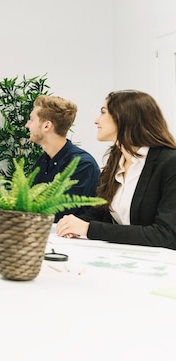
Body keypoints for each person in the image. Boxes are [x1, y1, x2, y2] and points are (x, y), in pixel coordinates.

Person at [56, 90, 176, 250]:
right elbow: (99, 212)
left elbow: (165, 235)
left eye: (103, 112)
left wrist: (89, 229)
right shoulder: (115, 161)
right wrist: (73, 225)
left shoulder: (169, 163)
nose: (96, 121)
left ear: (124, 117)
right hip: (124, 257)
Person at [25, 94, 100, 222]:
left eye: (31, 120)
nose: (27, 125)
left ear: (47, 126)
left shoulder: (83, 164)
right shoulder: (42, 162)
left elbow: (57, 213)